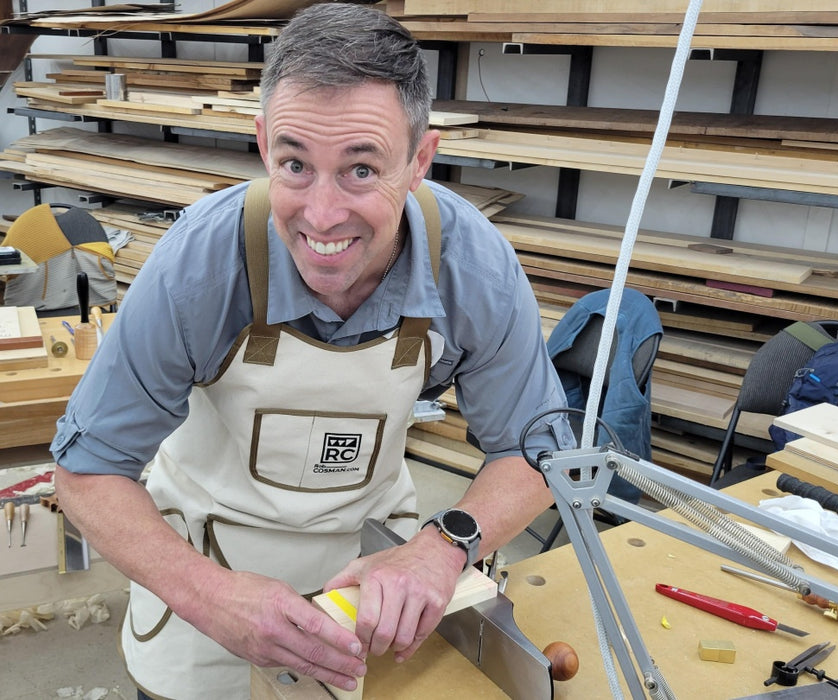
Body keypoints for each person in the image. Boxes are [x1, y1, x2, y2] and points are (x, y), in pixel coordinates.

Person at [51, 4, 574, 699]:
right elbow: (86, 472)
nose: (322, 216)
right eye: (295, 164)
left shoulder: (469, 265)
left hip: (376, 591)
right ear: (264, 144)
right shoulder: (201, 265)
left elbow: (535, 449)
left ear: (420, 159)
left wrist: (440, 549)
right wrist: (210, 597)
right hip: (204, 575)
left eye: (361, 170)